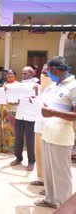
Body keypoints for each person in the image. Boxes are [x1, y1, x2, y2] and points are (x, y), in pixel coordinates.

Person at [34, 56, 76, 209]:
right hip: (48, 133)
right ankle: (51, 199)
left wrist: (52, 113)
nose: (46, 74)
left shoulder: (73, 86)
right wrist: (36, 100)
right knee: (49, 172)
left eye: (48, 71)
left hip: (61, 137)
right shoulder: (53, 85)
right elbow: (46, 104)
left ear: (56, 70)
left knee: (61, 175)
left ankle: (65, 207)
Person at [10, 66, 39, 171]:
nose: (23, 75)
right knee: (18, 138)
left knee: (30, 140)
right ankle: (18, 158)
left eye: (25, 73)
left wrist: (36, 92)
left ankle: (31, 161)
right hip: (19, 115)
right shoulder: (19, 86)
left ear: (32, 74)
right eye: (22, 73)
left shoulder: (37, 86)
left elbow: (39, 100)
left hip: (31, 117)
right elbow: (13, 99)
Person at [30, 64, 52, 194]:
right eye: (42, 72)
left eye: (46, 72)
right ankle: (41, 178)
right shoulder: (41, 86)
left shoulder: (56, 87)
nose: (43, 75)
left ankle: (51, 186)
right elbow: (42, 100)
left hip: (51, 126)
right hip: (39, 123)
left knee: (49, 156)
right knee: (39, 153)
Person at [0, 69, 18, 153]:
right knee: (2, 128)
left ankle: (11, 147)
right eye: (8, 74)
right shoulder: (4, 84)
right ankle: (1, 147)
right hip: (3, 109)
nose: (9, 75)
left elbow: (18, 97)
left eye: (11, 73)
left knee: (12, 129)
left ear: (15, 75)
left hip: (12, 110)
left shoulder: (18, 85)